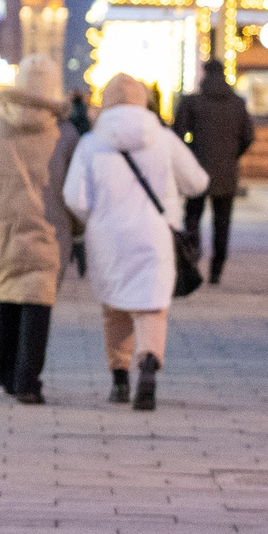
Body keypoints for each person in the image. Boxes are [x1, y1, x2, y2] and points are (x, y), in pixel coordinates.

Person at [63, 73, 209, 411]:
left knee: (115, 308)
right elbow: (198, 182)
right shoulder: (164, 139)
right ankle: (148, 360)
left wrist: (94, 220)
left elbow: (75, 197)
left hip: (108, 238)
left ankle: (119, 379)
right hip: (155, 235)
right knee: (150, 306)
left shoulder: (91, 143)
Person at [0, 55, 71, 406]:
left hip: (1, 228)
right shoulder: (62, 135)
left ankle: (3, 369)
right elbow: (74, 192)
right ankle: (27, 381)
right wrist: (78, 233)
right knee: (37, 303)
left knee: (7, 297)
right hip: (49, 232)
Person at [171, 59, 254, 286]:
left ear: (204, 74)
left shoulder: (192, 102)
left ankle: (192, 258)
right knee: (222, 222)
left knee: (192, 218)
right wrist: (232, 155)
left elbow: (177, 135)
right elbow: (248, 136)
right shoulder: (237, 103)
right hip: (227, 173)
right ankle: (217, 270)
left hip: (196, 171)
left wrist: (190, 155)